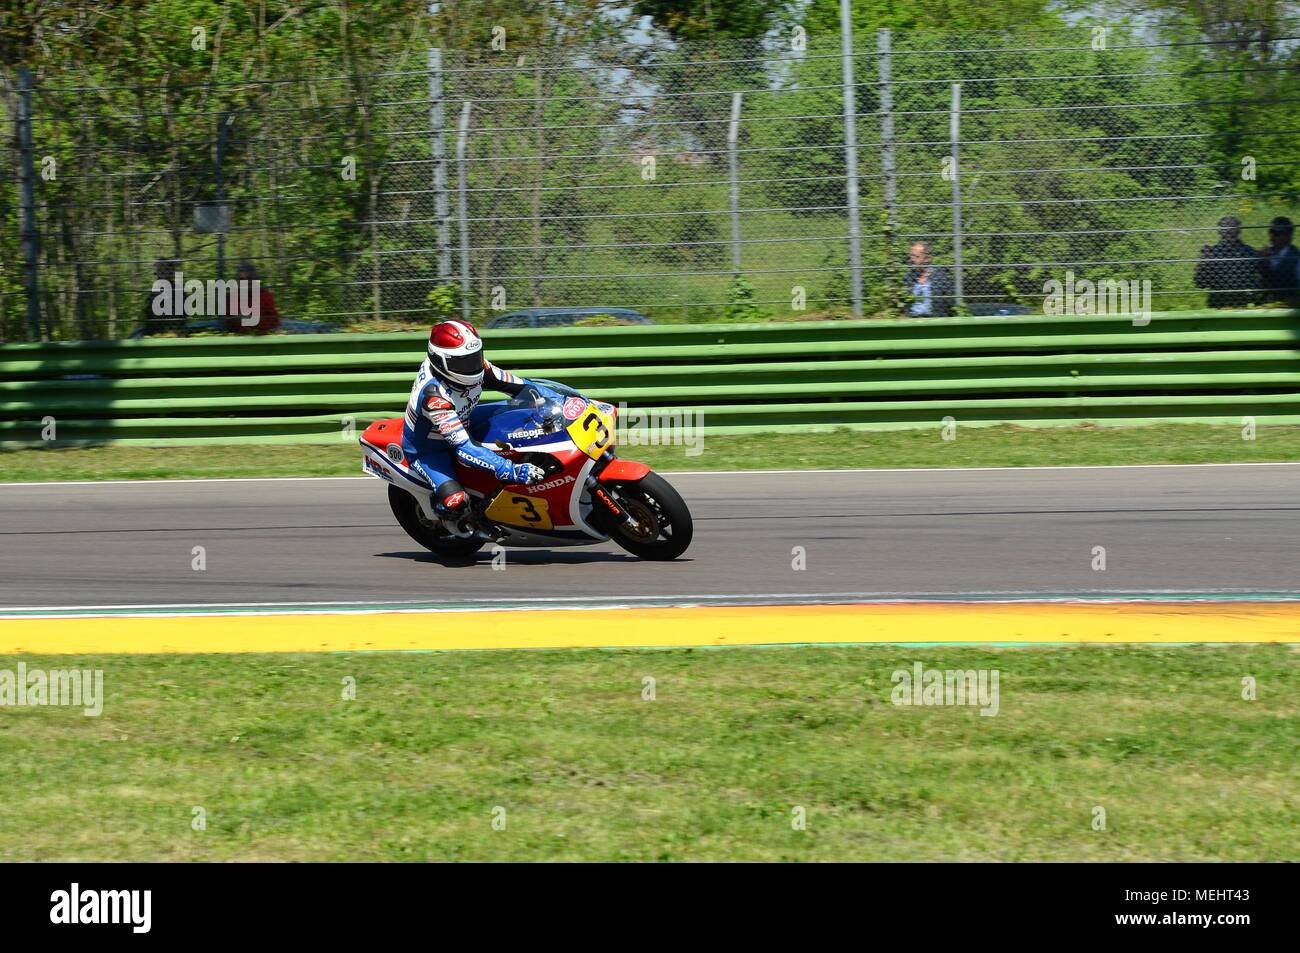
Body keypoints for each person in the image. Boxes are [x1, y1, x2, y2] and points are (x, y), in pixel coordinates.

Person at [402, 319, 554, 527]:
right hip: (430, 450)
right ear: (440, 361)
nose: (473, 366)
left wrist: (551, 399)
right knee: (456, 502)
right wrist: (511, 470)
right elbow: (464, 449)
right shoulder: (434, 397)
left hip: (466, 418)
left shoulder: (476, 367)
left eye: (475, 357)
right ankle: (438, 512)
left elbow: (516, 385)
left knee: (521, 414)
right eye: (464, 362)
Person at [1193, 215, 1257, 307]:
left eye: (1232, 228)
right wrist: (1204, 262)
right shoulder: (1212, 253)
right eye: (1226, 228)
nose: (1230, 230)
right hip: (1219, 302)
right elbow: (1200, 283)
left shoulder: (1249, 252)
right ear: (1220, 231)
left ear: (1239, 231)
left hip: (1242, 302)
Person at [224, 262, 281, 334]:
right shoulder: (233, 296)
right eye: (242, 280)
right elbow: (226, 322)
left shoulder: (265, 296)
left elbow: (274, 323)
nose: (245, 282)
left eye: (249, 279)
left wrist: (253, 320)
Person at [904, 242, 955, 317]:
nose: (912, 259)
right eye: (911, 256)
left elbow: (950, 301)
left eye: (916, 257)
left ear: (927, 259)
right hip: (913, 319)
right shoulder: (908, 277)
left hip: (934, 319)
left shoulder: (940, 276)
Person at [1258, 216, 1300, 306]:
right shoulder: (1265, 254)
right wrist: (1262, 262)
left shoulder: (1296, 257)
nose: (1272, 236)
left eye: (1277, 233)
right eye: (1271, 232)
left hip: (1289, 305)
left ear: (1288, 236)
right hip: (1265, 305)